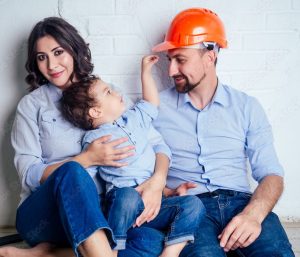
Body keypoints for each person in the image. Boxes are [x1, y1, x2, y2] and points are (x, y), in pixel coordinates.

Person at [0, 17, 168, 257]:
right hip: (47, 216)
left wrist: (158, 182)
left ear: (74, 49)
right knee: (72, 171)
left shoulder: (108, 94)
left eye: (58, 52)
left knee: (152, 241)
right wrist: (86, 159)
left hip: (105, 212)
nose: (51, 64)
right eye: (41, 57)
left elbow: (157, 144)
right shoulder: (31, 106)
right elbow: (28, 174)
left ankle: (52, 254)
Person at [151, 7, 295, 257]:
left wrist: (254, 214)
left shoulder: (246, 106)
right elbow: (137, 172)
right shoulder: (154, 109)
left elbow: (272, 174)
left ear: (210, 56)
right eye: (170, 60)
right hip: (190, 209)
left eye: (181, 59)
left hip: (243, 204)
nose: (171, 70)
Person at [60, 55, 205, 257]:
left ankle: (170, 252)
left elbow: (151, 103)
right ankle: (111, 250)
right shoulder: (95, 140)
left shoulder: (134, 118)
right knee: (127, 196)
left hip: (154, 204)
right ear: (95, 111)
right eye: (108, 92)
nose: (117, 92)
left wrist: (145, 72)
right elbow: (85, 177)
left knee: (194, 205)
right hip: (122, 205)